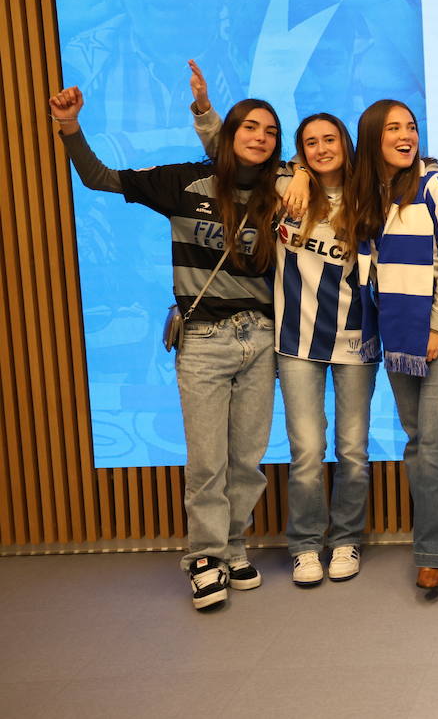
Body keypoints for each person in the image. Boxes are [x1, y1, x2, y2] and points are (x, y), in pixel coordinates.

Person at [49, 84, 280, 611]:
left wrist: (206, 114)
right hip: (203, 340)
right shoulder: (185, 181)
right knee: (207, 461)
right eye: (249, 127)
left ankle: (234, 544)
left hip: (261, 337)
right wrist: (69, 126)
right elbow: (100, 178)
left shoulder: (283, 190)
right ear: (229, 134)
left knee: (247, 459)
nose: (260, 138)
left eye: (270, 132)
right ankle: (204, 556)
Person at [188, 63, 380, 588]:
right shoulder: (283, 189)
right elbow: (229, 155)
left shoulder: (369, 196)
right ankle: (304, 545)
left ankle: (345, 540)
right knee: (306, 452)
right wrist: (206, 113)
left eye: (329, 139)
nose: (321, 149)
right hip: (294, 341)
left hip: (357, 342)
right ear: (300, 151)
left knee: (354, 452)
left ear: (345, 144)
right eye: (309, 142)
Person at [342, 99, 438, 589]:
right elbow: (311, 159)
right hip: (398, 333)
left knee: (435, 441)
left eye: (412, 127)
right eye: (393, 128)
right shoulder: (367, 193)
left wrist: (437, 329)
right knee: (421, 441)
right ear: (373, 138)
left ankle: (436, 552)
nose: (406, 135)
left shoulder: (435, 184)